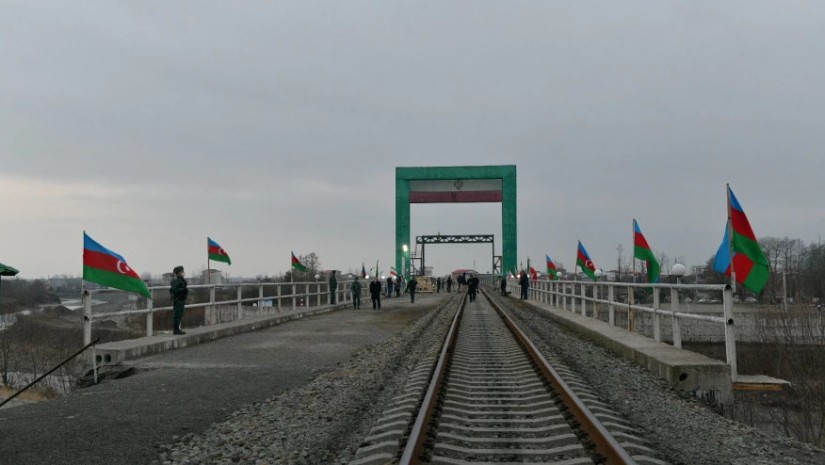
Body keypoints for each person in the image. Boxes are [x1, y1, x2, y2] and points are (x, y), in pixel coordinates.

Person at [169, 266, 188, 335]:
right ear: (178, 273)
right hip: (178, 299)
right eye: (181, 271)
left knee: (180, 314)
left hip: (181, 299)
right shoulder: (176, 280)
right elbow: (173, 289)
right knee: (177, 314)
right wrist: (183, 290)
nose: (182, 273)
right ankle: (176, 329)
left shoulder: (180, 279)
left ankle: (177, 329)